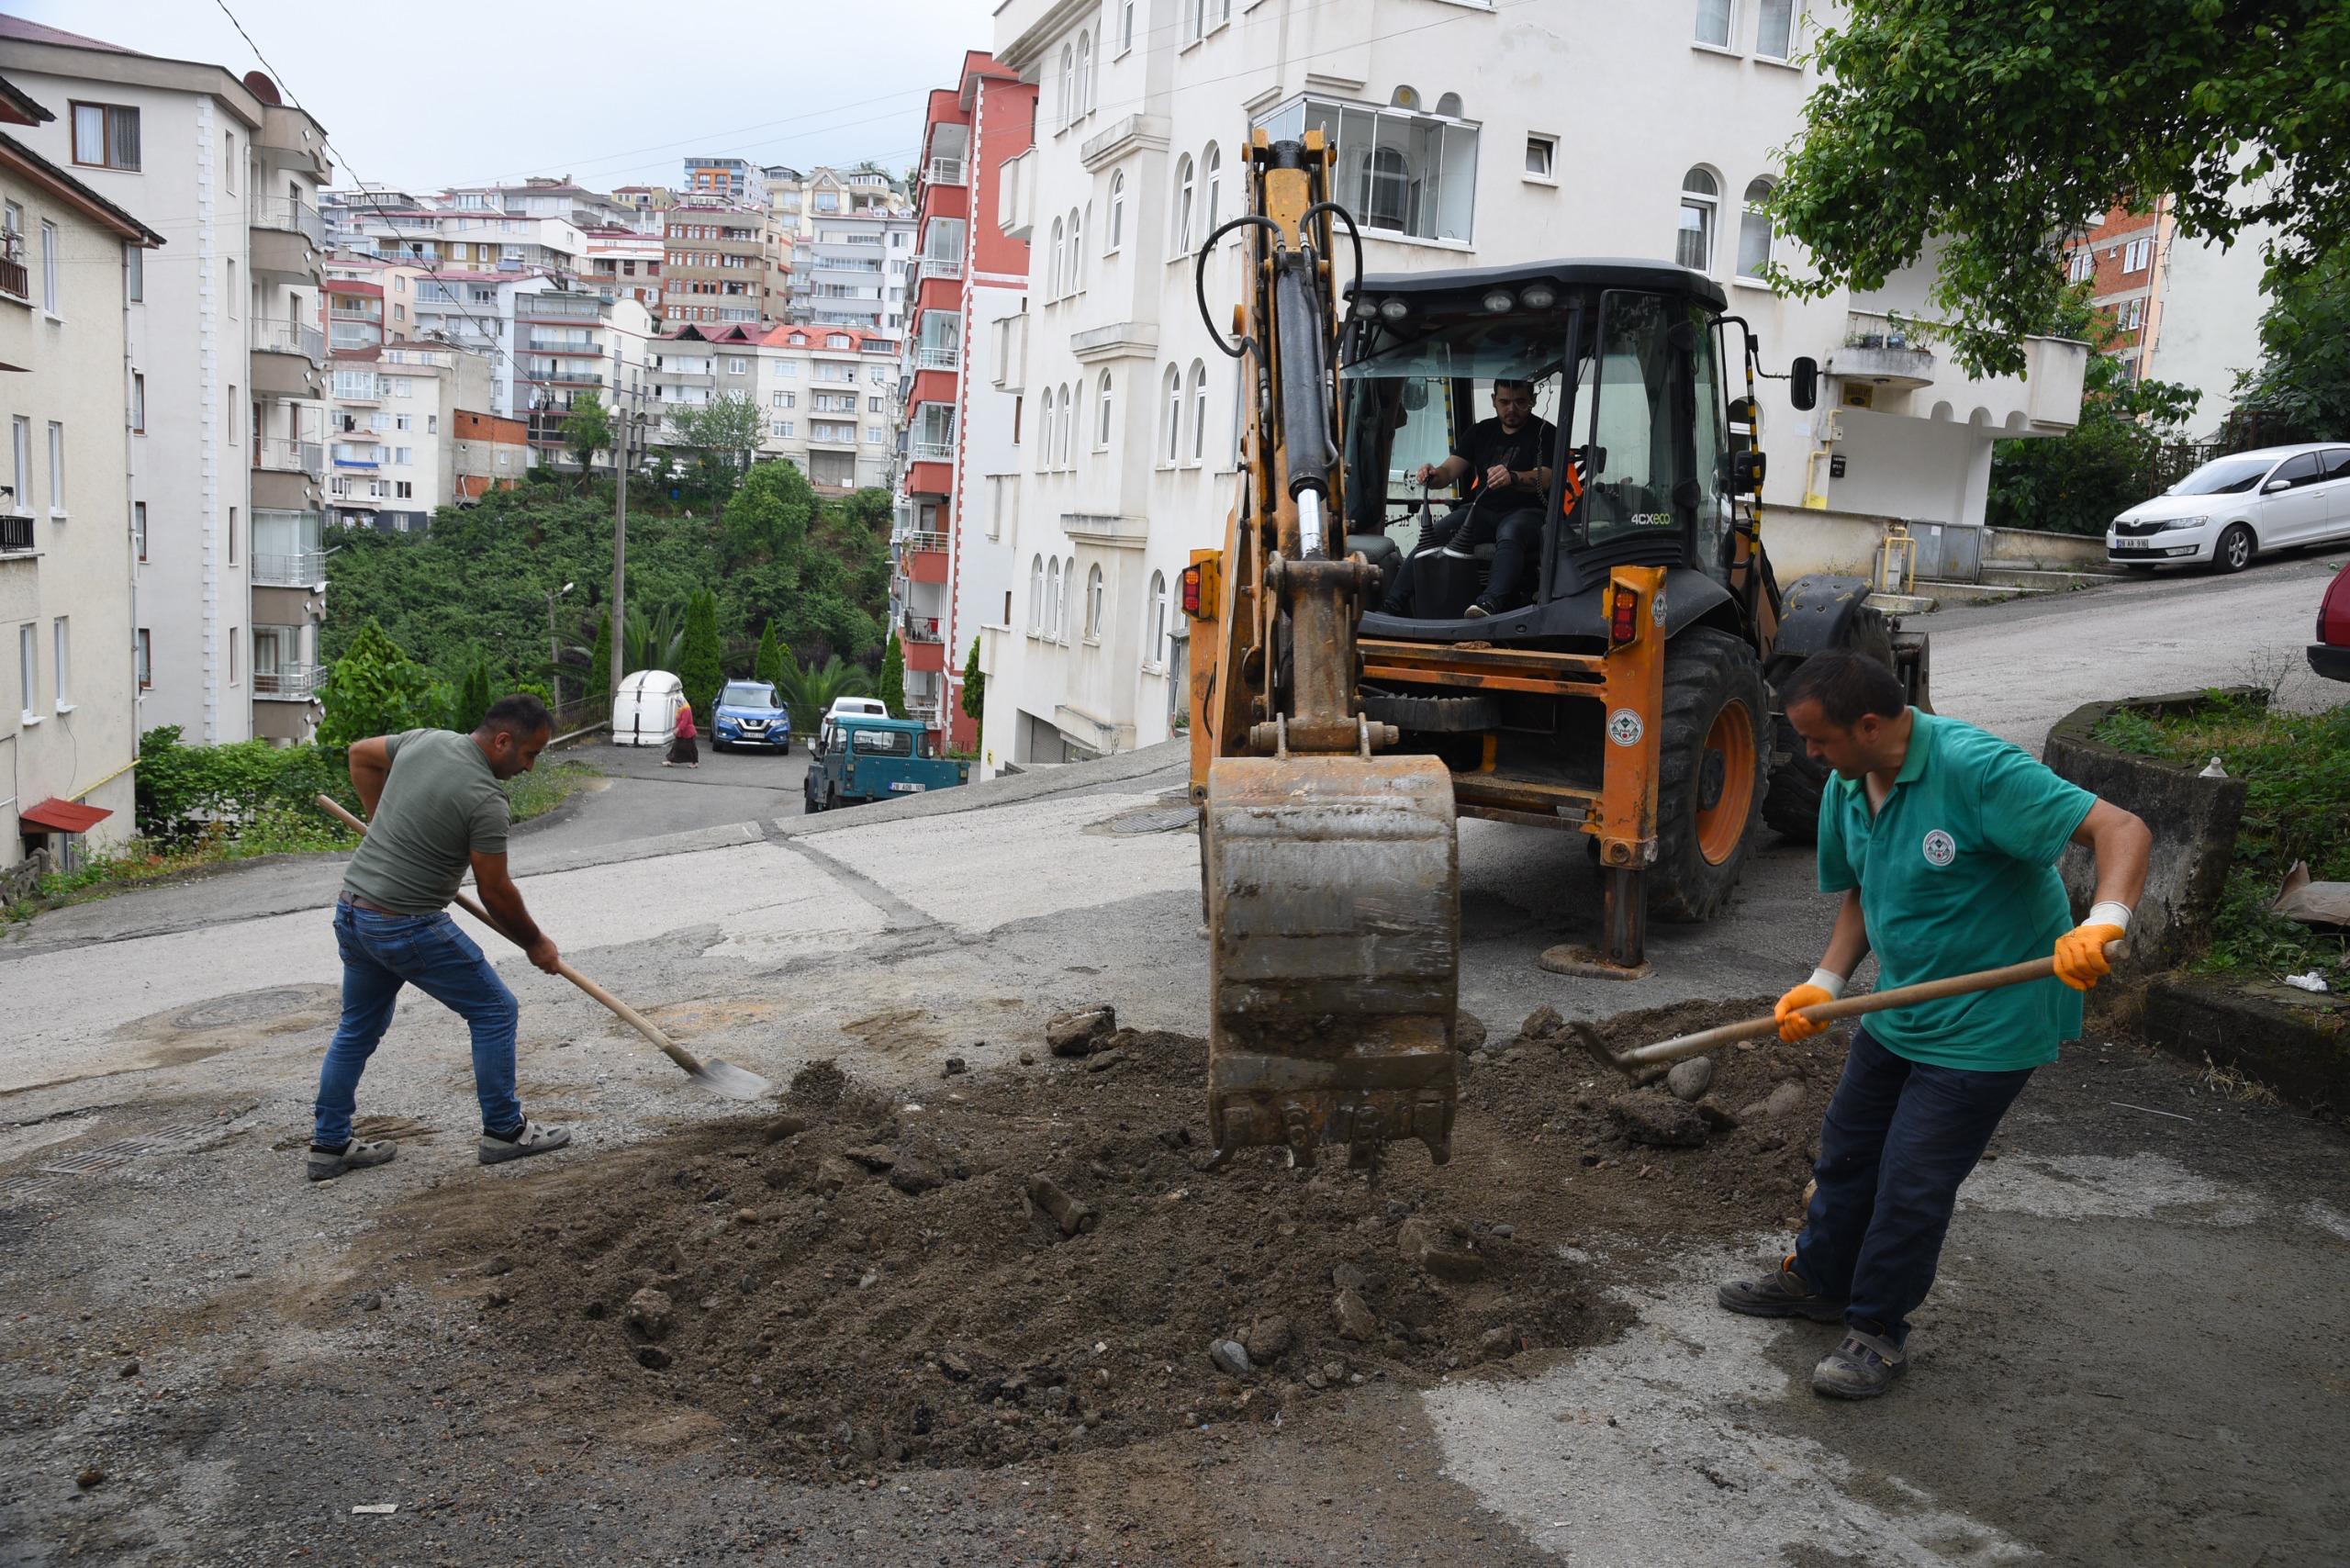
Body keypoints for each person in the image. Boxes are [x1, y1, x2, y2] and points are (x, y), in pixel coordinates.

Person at [1716, 650, 2150, 1397]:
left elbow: (2123, 828)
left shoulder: (1975, 768)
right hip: (1901, 1005)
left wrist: (2105, 921)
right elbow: (1862, 888)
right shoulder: (1848, 786)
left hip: (1990, 1020)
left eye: (1818, 741)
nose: (1809, 755)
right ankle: (1819, 1282)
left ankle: (1877, 1332)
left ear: (1871, 724)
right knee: (1847, 1154)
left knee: (1912, 1180)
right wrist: (1823, 983)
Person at [308, 694, 574, 1182]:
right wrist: (536, 942)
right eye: (530, 755)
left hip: (353, 912)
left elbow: (360, 753)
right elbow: (495, 891)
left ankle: (329, 1145)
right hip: (404, 923)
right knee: (495, 1011)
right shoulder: (486, 799)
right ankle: (504, 1132)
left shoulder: (426, 741)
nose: (531, 768)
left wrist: (379, 826)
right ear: (502, 741)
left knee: (356, 1028)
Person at [1377, 379, 1558, 619]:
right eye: (1504, 402)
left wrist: (1512, 477)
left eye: (1520, 402)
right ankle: (1392, 604)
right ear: (1494, 400)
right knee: (1434, 535)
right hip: (1482, 510)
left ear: (1532, 401)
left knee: (1511, 531)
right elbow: (1449, 471)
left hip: (1528, 511)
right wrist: (1432, 475)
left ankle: (1489, 604)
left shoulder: (1547, 432)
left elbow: (1547, 477)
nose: (1511, 409)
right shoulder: (1480, 432)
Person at [665, 701, 699, 768]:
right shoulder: (681, 709)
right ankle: (670, 761)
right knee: (676, 746)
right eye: (677, 702)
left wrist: (677, 729)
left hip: (688, 733)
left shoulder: (686, 709)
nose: (677, 703)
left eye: (678, 702)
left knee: (691, 748)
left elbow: (684, 721)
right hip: (681, 733)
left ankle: (695, 762)